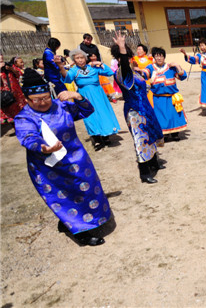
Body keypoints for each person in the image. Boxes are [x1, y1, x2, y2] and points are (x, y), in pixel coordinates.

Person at [15, 69, 114, 245]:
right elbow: (29, 137)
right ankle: (82, 233)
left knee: (86, 189)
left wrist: (77, 96)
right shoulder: (24, 117)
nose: (43, 102)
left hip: (77, 158)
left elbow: (87, 110)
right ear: (27, 99)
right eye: (37, 100)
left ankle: (69, 222)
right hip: (48, 166)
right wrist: (44, 147)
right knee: (65, 196)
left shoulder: (60, 106)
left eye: (46, 97)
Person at [111, 33, 165, 184]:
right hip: (134, 111)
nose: (128, 59)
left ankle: (154, 162)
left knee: (152, 135)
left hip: (146, 108)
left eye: (129, 57)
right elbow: (124, 67)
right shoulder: (121, 73)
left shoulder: (135, 72)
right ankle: (145, 172)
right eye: (124, 57)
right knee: (141, 140)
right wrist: (121, 47)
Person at [60, 49, 121, 151]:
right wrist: (61, 67)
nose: (80, 60)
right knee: (89, 117)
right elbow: (67, 78)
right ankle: (96, 138)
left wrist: (100, 63)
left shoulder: (93, 68)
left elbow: (110, 72)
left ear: (85, 58)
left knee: (102, 113)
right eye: (77, 58)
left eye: (82, 57)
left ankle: (105, 135)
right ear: (74, 60)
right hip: (84, 96)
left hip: (98, 94)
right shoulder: (73, 71)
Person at [140, 47, 188, 142]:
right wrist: (138, 70)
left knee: (173, 115)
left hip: (171, 97)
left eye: (161, 56)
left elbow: (183, 77)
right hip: (158, 98)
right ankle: (164, 134)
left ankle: (175, 134)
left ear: (164, 57)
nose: (159, 58)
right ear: (154, 57)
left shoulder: (170, 67)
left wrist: (177, 66)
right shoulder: (150, 67)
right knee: (161, 117)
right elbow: (144, 74)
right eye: (156, 56)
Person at [1, 55, 28, 124]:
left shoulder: (9, 67)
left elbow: (19, 74)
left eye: (2, 58)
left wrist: (11, 69)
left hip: (16, 93)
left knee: (21, 110)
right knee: (10, 113)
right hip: (5, 95)